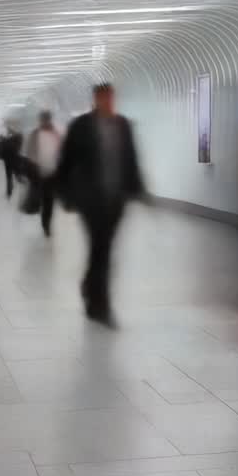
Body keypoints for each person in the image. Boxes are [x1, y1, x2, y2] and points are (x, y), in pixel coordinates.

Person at [54, 83, 146, 328]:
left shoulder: (122, 125)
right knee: (101, 248)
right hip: (90, 199)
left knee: (102, 249)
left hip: (117, 199)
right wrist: (65, 195)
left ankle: (89, 285)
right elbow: (66, 160)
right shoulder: (81, 126)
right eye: (103, 98)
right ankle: (100, 307)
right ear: (96, 99)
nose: (108, 102)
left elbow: (131, 158)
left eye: (111, 97)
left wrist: (138, 189)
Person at [24, 110, 64, 236]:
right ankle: (45, 219)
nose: (45, 121)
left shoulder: (56, 134)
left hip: (52, 173)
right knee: (43, 198)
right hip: (38, 172)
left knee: (49, 200)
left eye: (46, 119)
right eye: (43, 119)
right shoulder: (35, 134)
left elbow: (61, 151)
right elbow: (29, 152)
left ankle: (46, 223)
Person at [0, 129, 25, 199]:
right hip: (15, 161)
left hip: (7, 161)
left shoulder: (6, 140)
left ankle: (9, 191)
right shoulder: (18, 141)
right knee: (17, 174)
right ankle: (18, 184)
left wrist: (3, 157)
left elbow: (2, 150)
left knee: (9, 176)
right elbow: (20, 151)